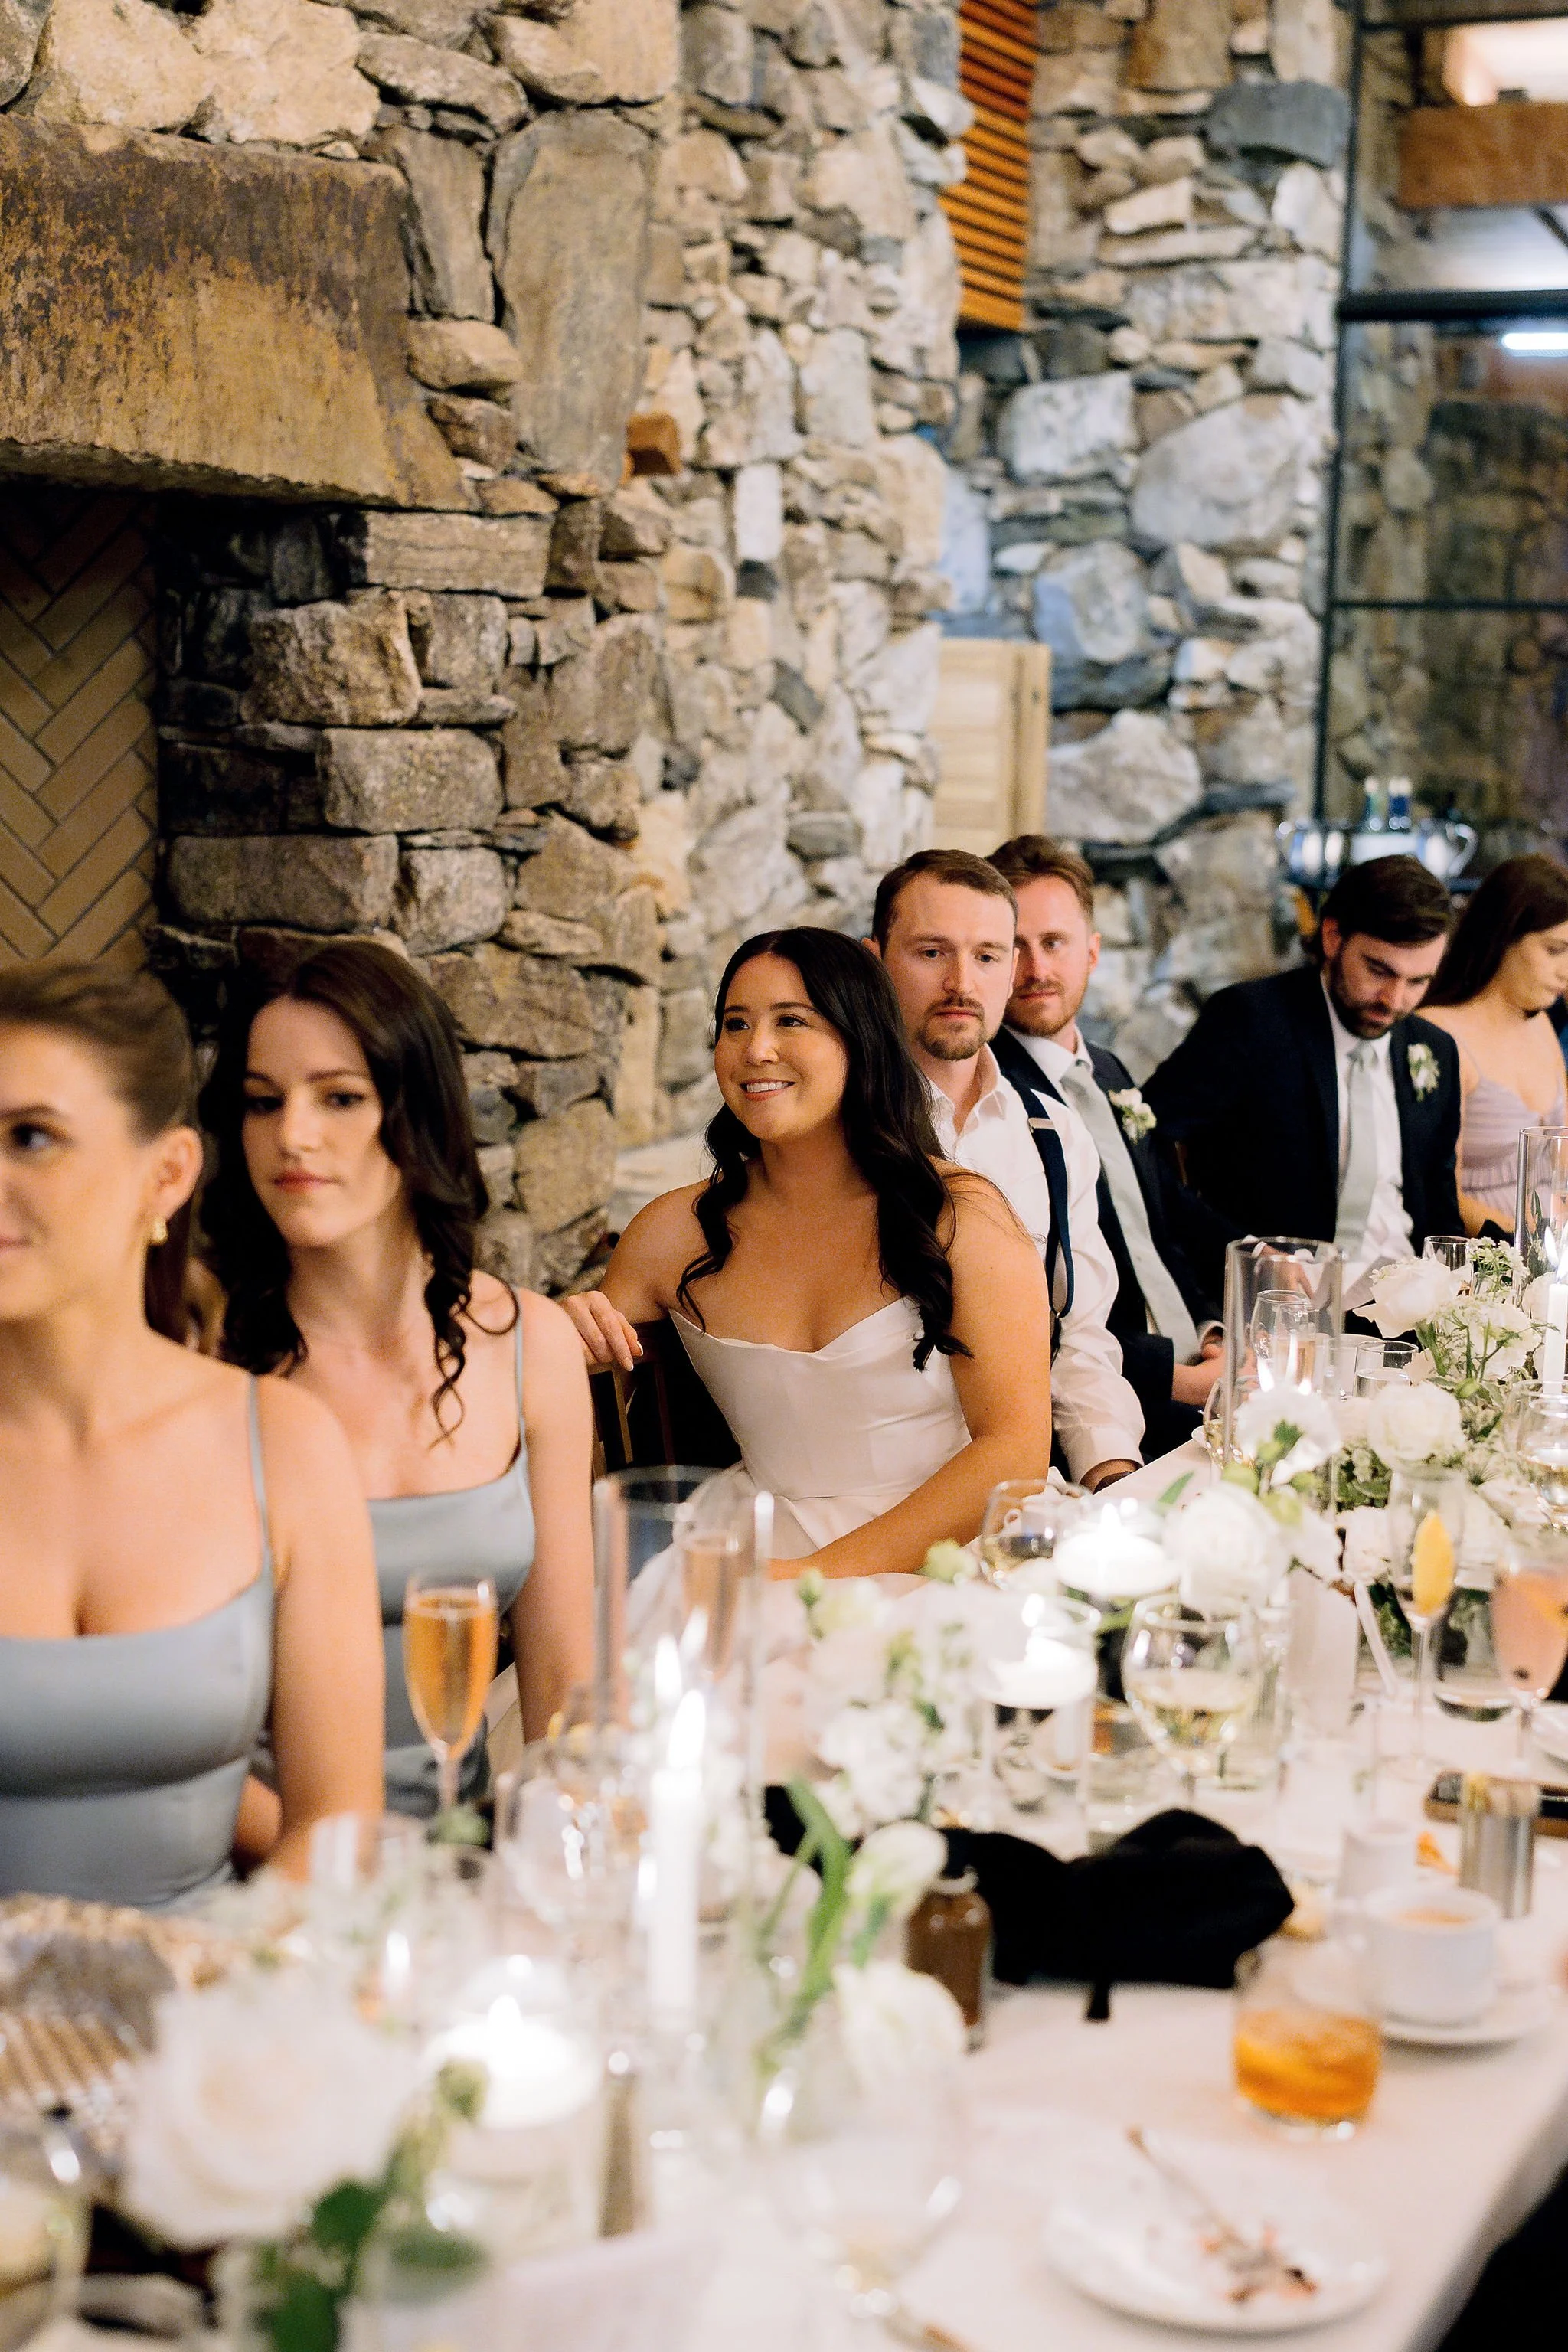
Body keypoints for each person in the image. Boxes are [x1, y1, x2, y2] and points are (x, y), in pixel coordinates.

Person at [0, 962, 383, 1909]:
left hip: (211, 2021)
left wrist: (219, 2005)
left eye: (31, 1137)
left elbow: (334, 1832)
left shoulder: (284, 1446)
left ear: (165, 1175)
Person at [202, 942, 594, 1818]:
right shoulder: (201, 1357)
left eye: (340, 1097)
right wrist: (341, 1877)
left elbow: (563, 1678)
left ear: (416, 1112)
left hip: (466, 1854)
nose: (292, 1135)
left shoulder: (531, 1344)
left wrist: (565, 1868)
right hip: (261, 1862)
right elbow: (169, 1728)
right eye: (262, 1103)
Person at [563, 927, 1053, 1576]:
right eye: (734, 1025)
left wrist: (810, 1578)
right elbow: (565, 1395)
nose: (755, 1050)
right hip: (754, 1540)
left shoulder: (961, 1216)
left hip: (949, 1554)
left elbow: (1015, 1452)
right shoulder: (669, 1233)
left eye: (791, 1021)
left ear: (862, 1040)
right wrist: (561, 1334)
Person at [867, 849, 1146, 1488]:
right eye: (931, 952)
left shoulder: (1053, 1133)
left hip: (1024, 1491)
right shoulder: (833, 1133)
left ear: (1011, 969)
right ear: (874, 959)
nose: (961, 983)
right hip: (878, 1489)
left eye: (987, 956)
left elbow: (1079, 1339)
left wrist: (1112, 1473)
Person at [986, 835, 1230, 1459]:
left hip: (1200, 1367)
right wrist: (1173, 1379)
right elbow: (1032, 1305)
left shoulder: (1112, 1072)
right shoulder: (992, 1097)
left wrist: (1213, 1330)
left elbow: (1158, 1233)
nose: (1036, 969)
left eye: (1054, 943)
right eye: (1014, 948)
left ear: (1091, 952)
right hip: (1113, 1402)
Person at [1144, 854, 1462, 1283]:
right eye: (1379, 970)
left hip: (1408, 1303)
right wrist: (1245, 1253)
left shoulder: (1433, 1049)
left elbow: (1439, 1203)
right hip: (1283, 1296)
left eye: (1418, 981)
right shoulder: (1253, 1021)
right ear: (1333, 937)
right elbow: (1143, 1143)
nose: (1394, 999)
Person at [1420, 854, 1568, 1232]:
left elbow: (1563, 1162)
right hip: (1484, 1260)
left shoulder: (1543, 1024)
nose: (1565, 970)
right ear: (1505, 937)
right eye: (1554, 950)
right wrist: (1533, 1246)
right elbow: (1438, 1192)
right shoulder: (1438, 1034)